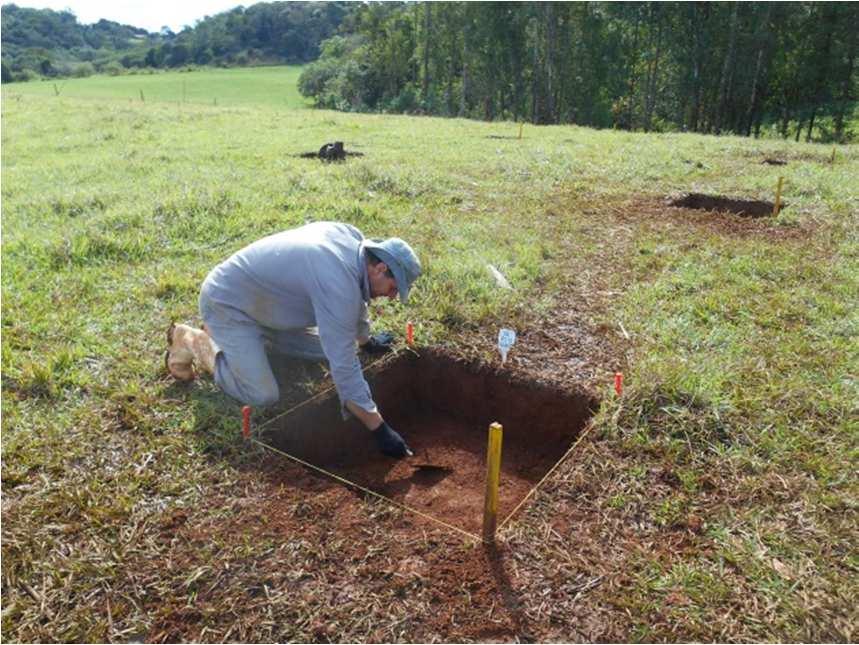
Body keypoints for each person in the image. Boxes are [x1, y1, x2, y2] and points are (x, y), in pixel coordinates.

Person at [165, 221, 421, 459]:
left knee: (329, 348)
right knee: (263, 394)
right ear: (380, 268)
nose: (391, 296)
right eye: (393, 288)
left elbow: (357, 302)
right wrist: (379, 429)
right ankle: (194, 340)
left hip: (264, 306)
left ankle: (252, 342)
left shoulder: (353, 242)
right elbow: (344, 366)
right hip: (227, 303)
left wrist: (365, 341)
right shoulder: (337, 283)